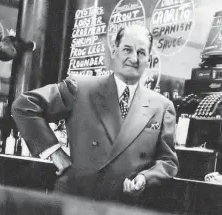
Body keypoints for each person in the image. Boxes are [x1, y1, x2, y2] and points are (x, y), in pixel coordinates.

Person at [11, 25, 179, 204]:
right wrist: (55, 153)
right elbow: (24, 106)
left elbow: (168, 161)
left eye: (141, 53)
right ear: (114, 51)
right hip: (76, 202)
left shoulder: (162, 106)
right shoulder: (81, 88)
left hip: (124, 207)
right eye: (127, 49)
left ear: (149, 59)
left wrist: (146, 178)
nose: (134, 58)